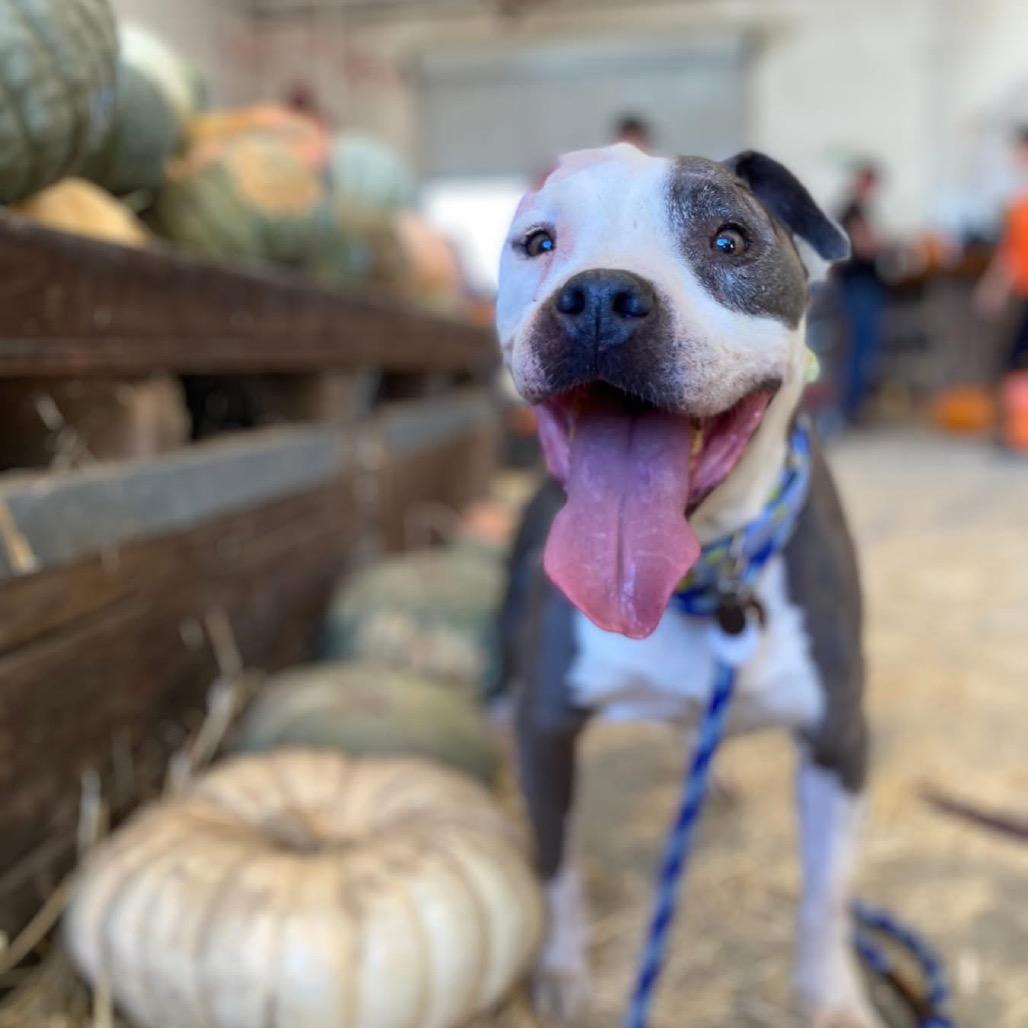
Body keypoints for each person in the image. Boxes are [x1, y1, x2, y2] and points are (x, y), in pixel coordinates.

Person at [835, 161, 886, 423]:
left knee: (861, 349)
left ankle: (853, 407)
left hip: (860, 286)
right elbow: (865, 247)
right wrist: (884, 244)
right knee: (859, 349)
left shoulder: (858, 211)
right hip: (858, 286)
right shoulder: (852, 211)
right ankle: (850, 408)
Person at [975, 127, 1028, 373]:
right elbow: (1010, 252)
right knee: (1014, 360)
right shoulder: (1017, 202)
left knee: (1015, 360)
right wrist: (994, 286)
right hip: (1023, 290)